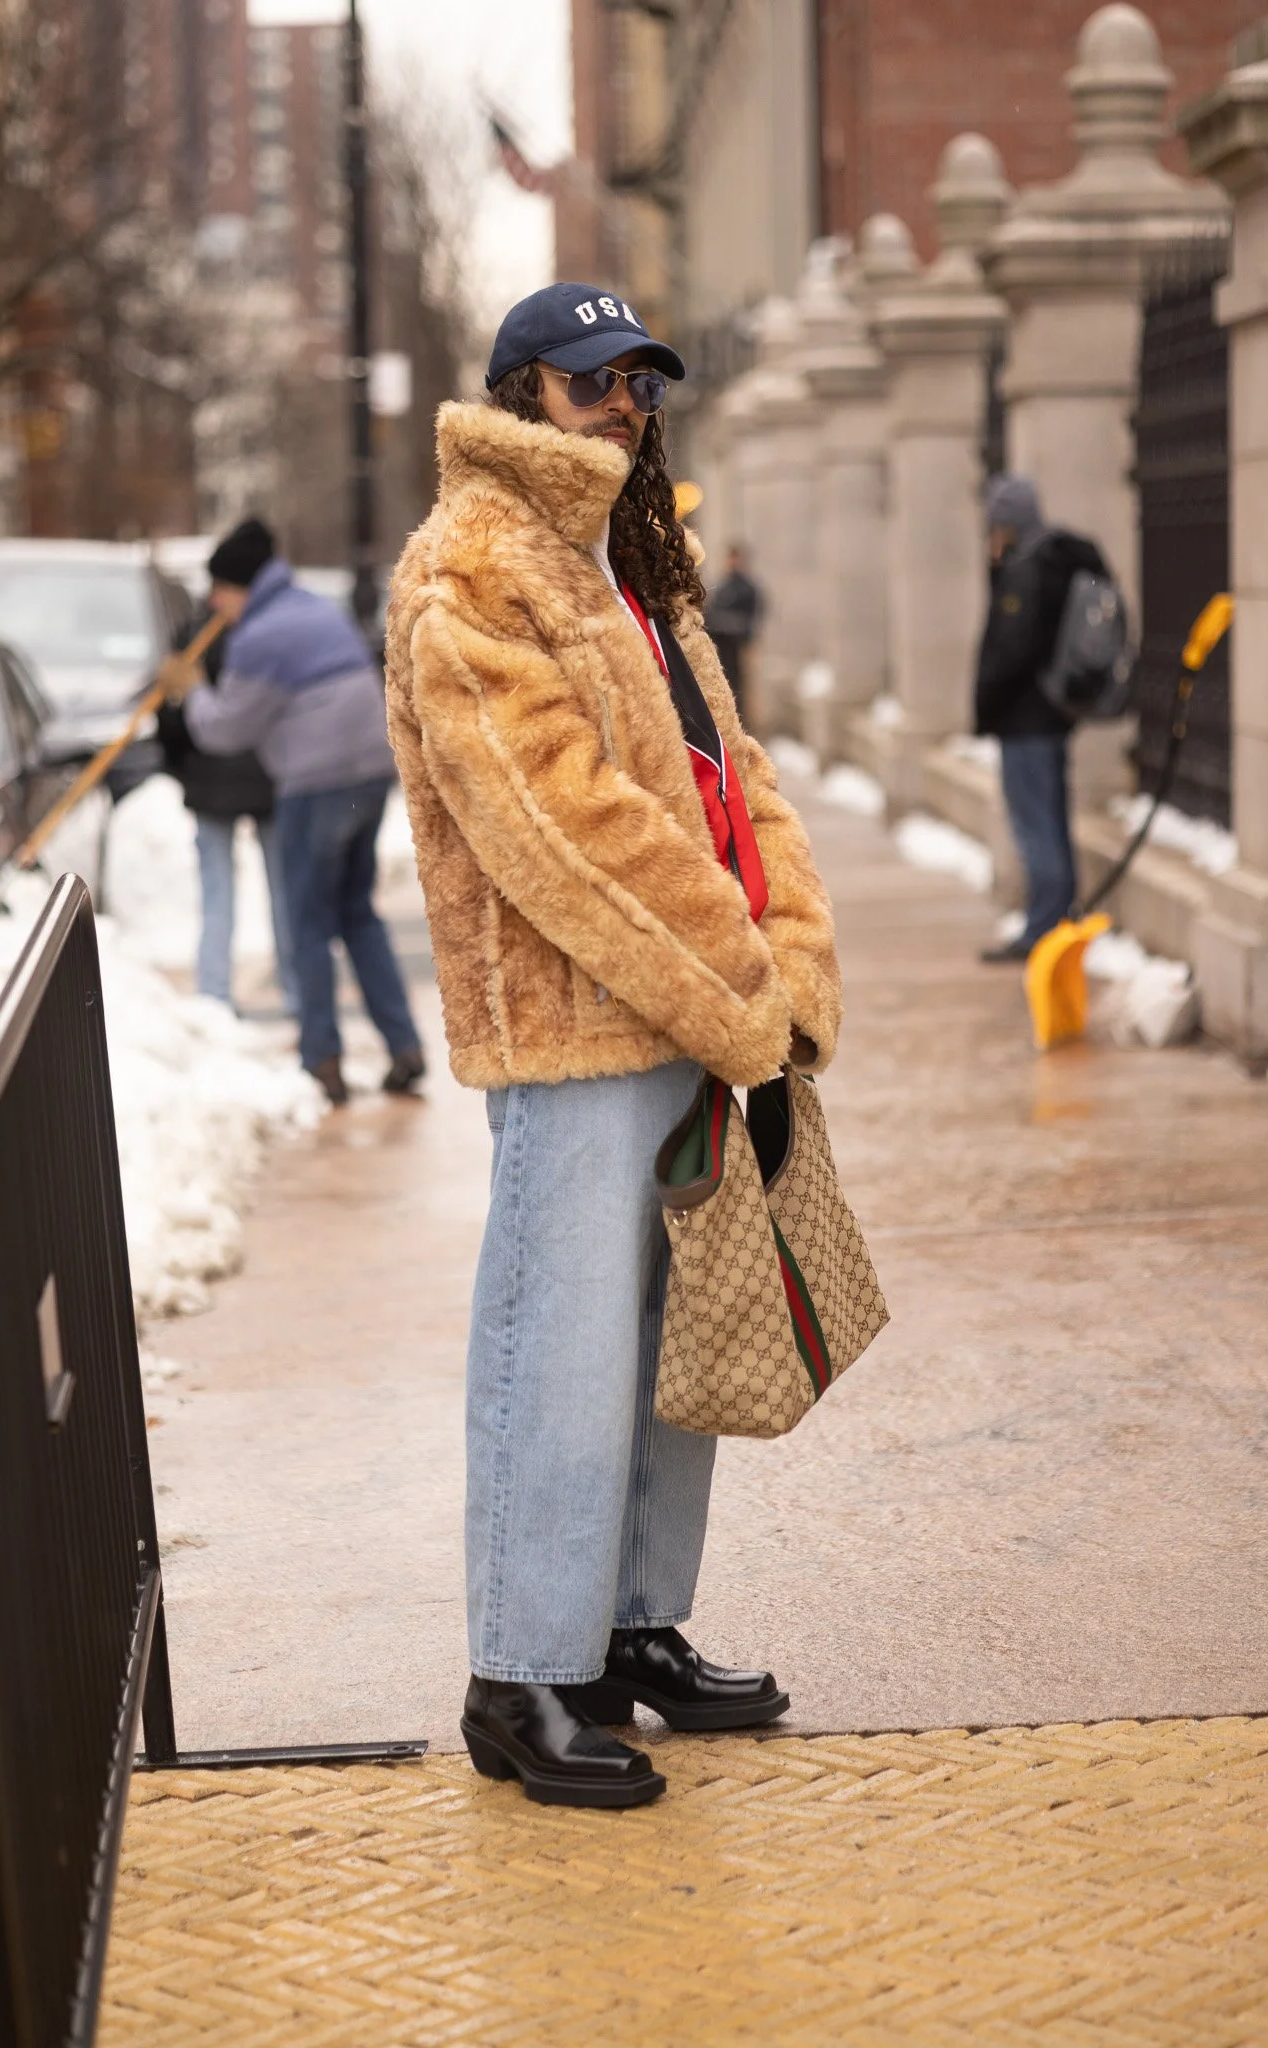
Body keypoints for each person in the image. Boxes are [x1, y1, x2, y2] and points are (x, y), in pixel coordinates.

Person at [386, 283, 842, 1809]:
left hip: (691, 1004)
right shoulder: (474, 569)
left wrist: (786, 961)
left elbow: (733, 774)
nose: (623, 406)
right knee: (559, 1343)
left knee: (667, 1340)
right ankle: (519, 1672)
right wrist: (741, 991)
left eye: (640, 381)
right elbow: (563, 832)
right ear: (519, 392)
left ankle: (625, 1629)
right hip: (579, 1024)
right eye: (591, 382)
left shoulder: (628, 565)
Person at [179, 517, 425, 1106]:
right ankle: (403, 1044)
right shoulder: (314, 610)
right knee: (357, 914)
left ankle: (322, 1060)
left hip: (314, 786)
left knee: (307, 922)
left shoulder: (259, 637)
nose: (215, 603)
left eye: (219, 590)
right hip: (369, 777)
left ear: (239, 585)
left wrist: (189, 689)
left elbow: (225, 730)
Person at [973, 474, 1109, 964]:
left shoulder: (1027, 569)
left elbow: (1012, 648)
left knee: (1036, 826)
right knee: (1050, 820)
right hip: (1051, 716)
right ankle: (1055, 919)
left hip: (1025, 720)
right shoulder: (1053, 560)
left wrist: (986, 700)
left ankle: (1043, 930)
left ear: (1006, 522)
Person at [158, 608, 297, 1017]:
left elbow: (172, 720)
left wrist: (183, 768)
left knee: (217, 893)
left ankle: (214, 993)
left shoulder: (194, 633)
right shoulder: (269, 629)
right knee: (283, 892)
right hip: (267, 777)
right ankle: (296, 991)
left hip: (209, 783)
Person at [704, 542, 764, 720]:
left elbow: (751, 620)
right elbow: (711, 613)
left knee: (741, 688)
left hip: (739, 647)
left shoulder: (748, 588)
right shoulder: (722, 586)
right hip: (720, 646)